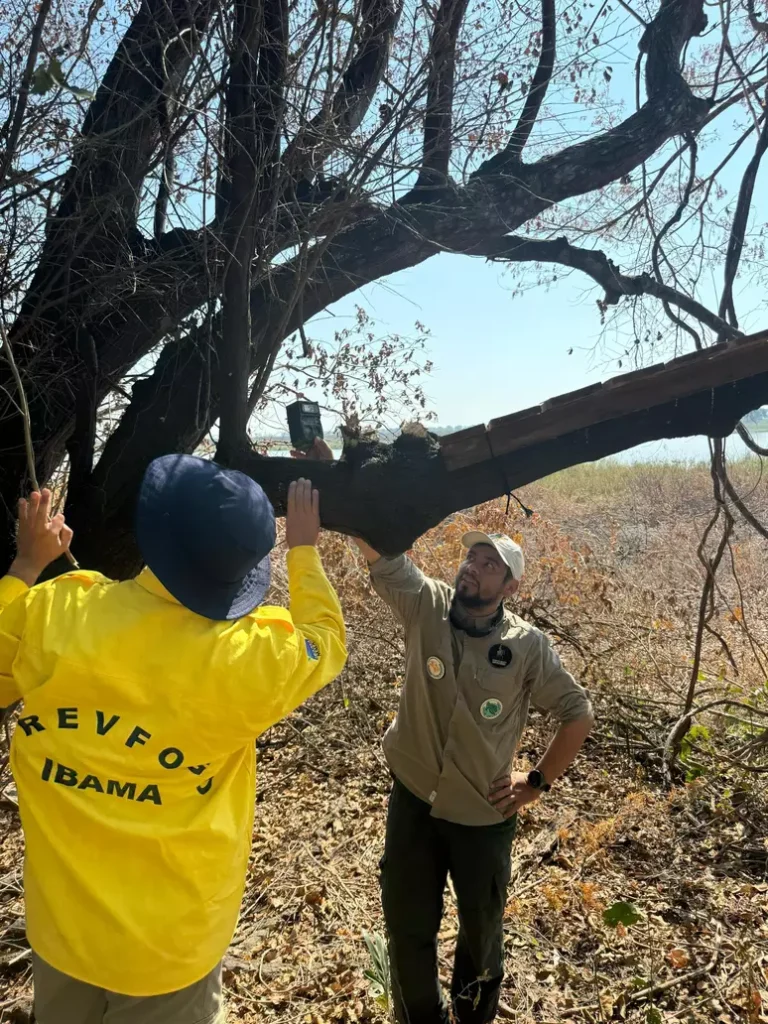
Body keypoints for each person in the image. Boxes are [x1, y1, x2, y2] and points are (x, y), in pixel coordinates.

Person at [0, 456, 347, 1024]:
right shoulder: (251, 658)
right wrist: (303, 550)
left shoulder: (55, 613)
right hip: (172, 950)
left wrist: (26, 562)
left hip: (61, 930)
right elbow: (325, 640)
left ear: (153, 530)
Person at [296, 437, 594, 1024]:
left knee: (481, 933)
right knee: (408, 923)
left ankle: (472, 1016)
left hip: (483, 815)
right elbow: (382, 553)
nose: (473, 570)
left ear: (509, 588)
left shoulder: (528, 646)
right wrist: (337, 484)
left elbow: (577, 713)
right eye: (471, 559)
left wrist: (536, 781)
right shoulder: (427, 605)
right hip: (413, 799)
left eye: (490, 567)